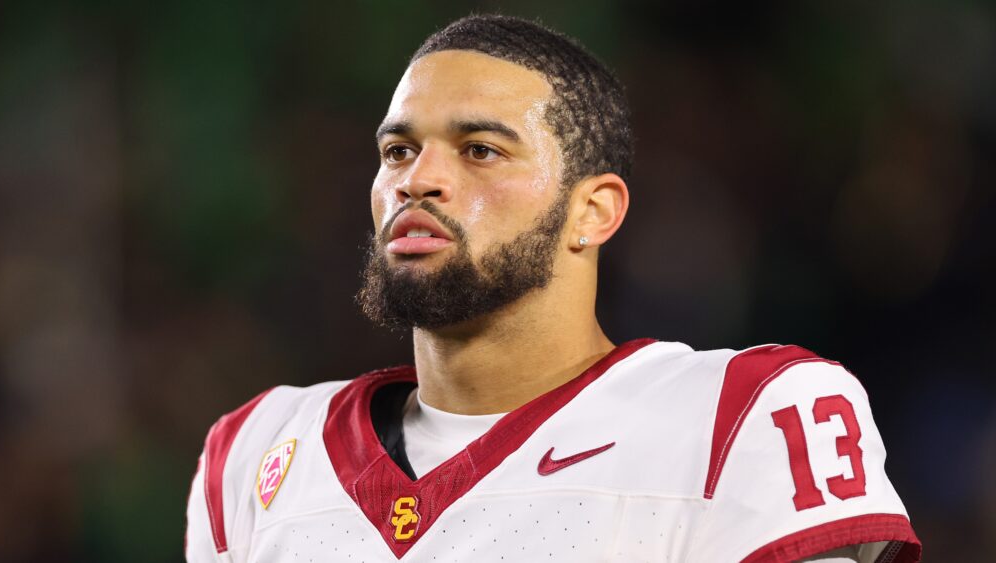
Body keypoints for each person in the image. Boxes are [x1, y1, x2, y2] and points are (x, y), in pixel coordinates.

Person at [185, 15, 920, 563]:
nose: (417, 179)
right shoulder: (256, 453)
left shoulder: (740, 416)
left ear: (592, 211)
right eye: (399, 150)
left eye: (480, 150)